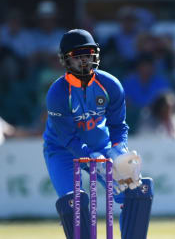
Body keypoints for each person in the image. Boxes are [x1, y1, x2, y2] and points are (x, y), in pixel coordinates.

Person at [42, 29, 153, 239]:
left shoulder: (111, 85)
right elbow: (67, 138)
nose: (84, 61)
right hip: (62, 151)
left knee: (133, 193)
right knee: (72, 202)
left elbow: (119, 126)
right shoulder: (57, 93)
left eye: (88, 54)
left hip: (100, 146)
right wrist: (91, 158)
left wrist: (118, 149)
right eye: (77, 56)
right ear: (65, 60)